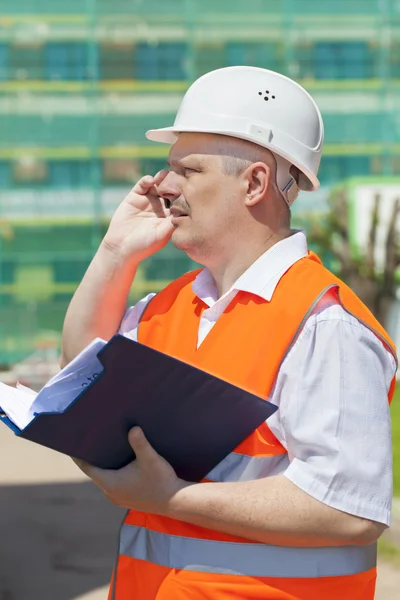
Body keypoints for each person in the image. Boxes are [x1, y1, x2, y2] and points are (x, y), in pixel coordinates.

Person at [61, 66, 397, 600]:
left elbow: (347, 507)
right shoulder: (174, 305)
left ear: (256, 183)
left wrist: (170, 498)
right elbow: (79, 376)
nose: (161, 187)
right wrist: (114, 254)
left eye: (187, 169)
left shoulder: (324, 323)